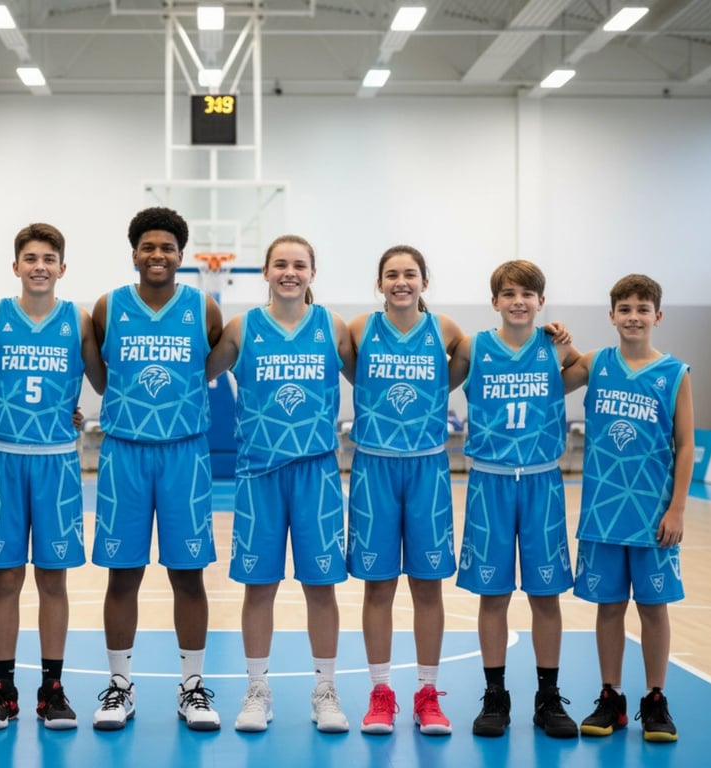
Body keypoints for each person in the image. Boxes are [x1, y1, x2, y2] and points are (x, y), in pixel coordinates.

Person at [205, 234, 356, 734]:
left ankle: (325, 690)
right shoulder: (242, 328)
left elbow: (371, 378)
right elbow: (192, 374)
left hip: (316, 471)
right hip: (258, 474)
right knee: (258, 587)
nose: (289, 272)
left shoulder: (332, 327)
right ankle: (256, 688)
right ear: (265, 272)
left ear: (313, 272)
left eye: (299, 265)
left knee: (321, 588)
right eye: (280, 264)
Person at [90, 207, 224, 731]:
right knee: (122, 575)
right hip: (125, 450)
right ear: (134, 254)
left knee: (188, 576)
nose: (158, 255)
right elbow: (101, 377)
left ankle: (191, 687)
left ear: (181, 256)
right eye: (148, 247)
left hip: (185, 453)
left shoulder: (203, 308)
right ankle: (120, 687)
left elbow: (209, 367)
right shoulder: (108, 307)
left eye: (167, 247)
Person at [0, 223, 106, 730]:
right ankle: (3, 688)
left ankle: (53, 688)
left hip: (57, 460)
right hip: (5, 457)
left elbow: (99, 378)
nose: (39, 265)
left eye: (49, 258)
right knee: (5, 579)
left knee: (53, 579)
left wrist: (67, 408)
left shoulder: (78, 318)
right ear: (15, 266)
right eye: (30, 257)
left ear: (62, 267)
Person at [450, 259, 580, 739]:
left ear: (541, 302)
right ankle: (495, 694)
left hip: (543, 479)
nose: (518, 301)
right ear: (495, 302)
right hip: (489, 480)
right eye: (508, 293)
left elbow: (582, 371)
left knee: (546, 595)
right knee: (494, 594)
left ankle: (548, 697)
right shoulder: (474, 346)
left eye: (527, 294)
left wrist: (567, 344)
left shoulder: (555, 348)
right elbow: (431, 385)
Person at [562, 274, 694, 743]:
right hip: (603, 511)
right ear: (612, 315)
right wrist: (558, 345)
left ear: (657, 316)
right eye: (625, 308)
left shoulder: (674, 372)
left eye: (642, 309)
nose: (633, 316)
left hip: (653, 514)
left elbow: (685, 445)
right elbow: (548, 386)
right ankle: (610, 697)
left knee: (654, 608)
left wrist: (677, 508)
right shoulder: (596, 363)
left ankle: (655, 699)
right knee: (609, 608)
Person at [345, 245, 465, 736]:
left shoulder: (450, 332)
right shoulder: (356, 330)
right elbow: (355, 376)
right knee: (378, 587)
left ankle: (428, 693)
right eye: (391, 275)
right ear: (379, 284)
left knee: (427, 586)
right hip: (373, 466)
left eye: (410, 274)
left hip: (427, 469)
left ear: (424, 282)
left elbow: (453, 377)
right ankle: (380, 692)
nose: (401, 282)